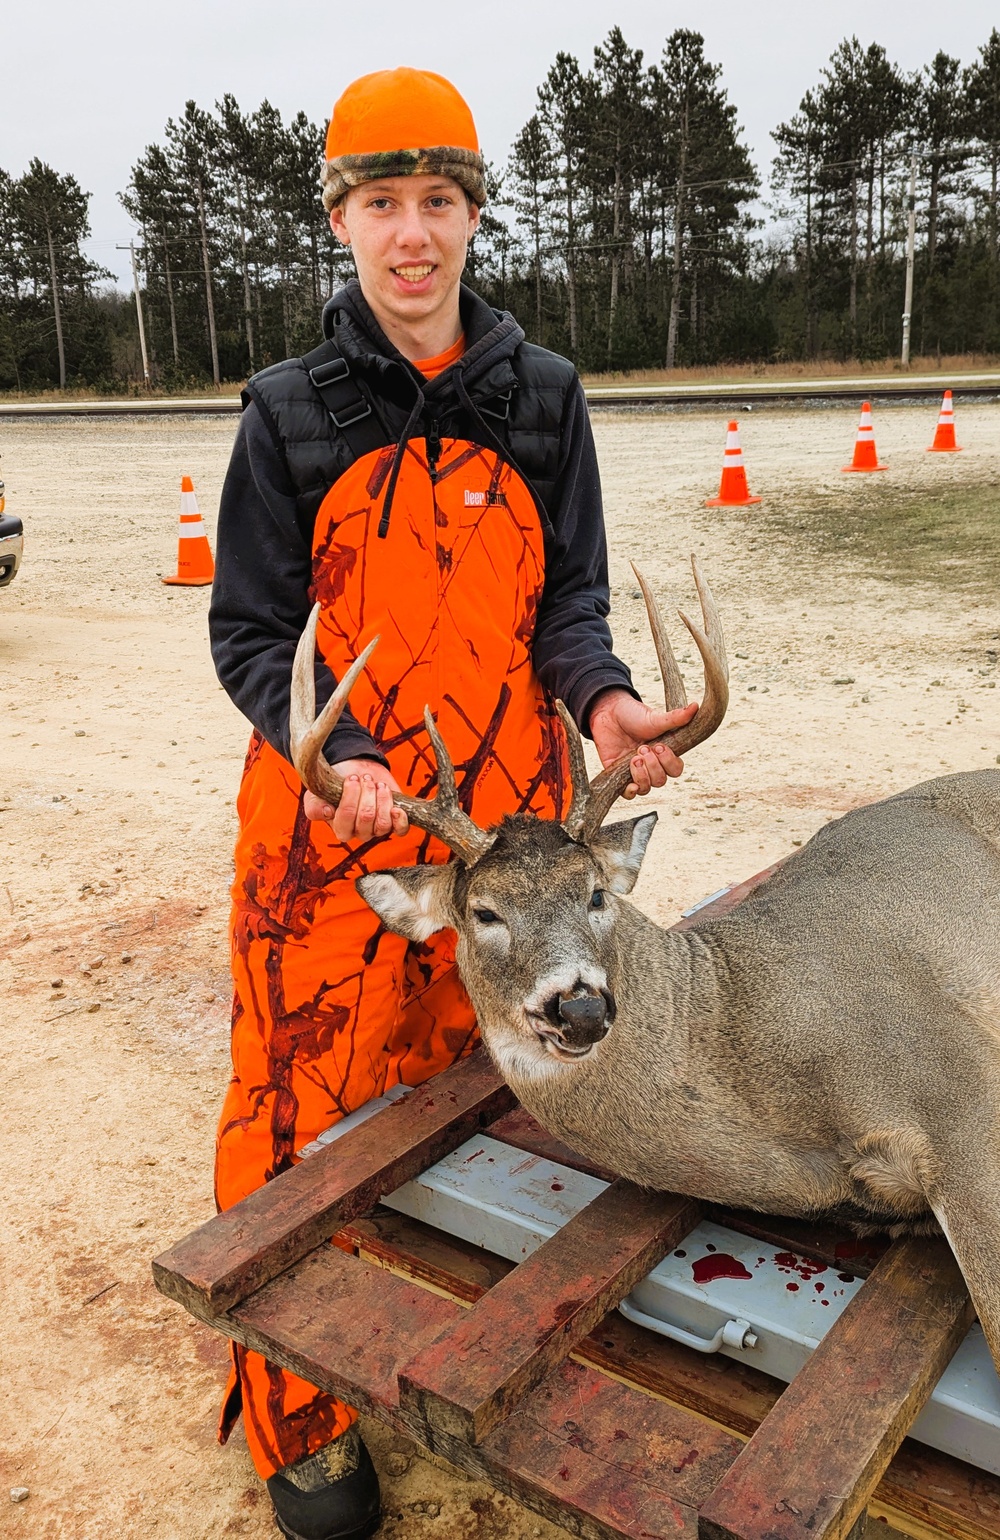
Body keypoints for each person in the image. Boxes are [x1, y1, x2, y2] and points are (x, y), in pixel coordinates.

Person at [208, 66, 696, 1540]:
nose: (409, 234)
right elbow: (247, 634)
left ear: (474, 216)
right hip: (335, 838)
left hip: (515, 841)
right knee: (302, 1104)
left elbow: (576, 605)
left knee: (486, 1093)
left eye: (436, 203)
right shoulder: (287, 411)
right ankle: (301, 1419)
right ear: (343, 223)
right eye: (379, 205)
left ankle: (453, 1350)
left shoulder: (542, 398)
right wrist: (340, 763)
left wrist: (606, 699)